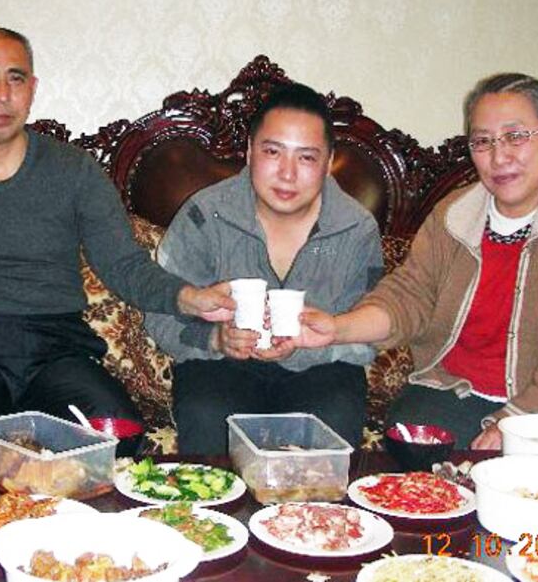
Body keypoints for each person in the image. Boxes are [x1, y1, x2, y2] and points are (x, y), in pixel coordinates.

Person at [0, 27, 234, 458]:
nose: (1, 94)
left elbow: (124, 265)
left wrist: (192, 299)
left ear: (32, 90)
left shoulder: (75, 171)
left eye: (16, 78)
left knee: (118, 434)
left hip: (54, 347)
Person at [291, 73, 538, 450]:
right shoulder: (455, 212)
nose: (499, 156)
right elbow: (408, 296)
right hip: (452, 393)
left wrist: (515, 422)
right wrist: (337, 327)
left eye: (515, 137)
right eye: (483, 141)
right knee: (417, 464)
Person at [144, 83, 384, 455]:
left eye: (306, 157)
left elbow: (370, 331)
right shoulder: (205, 215)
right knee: (207, 413)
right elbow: (160, 313)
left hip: (321, 368)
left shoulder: (357, 228)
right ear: (250, 151)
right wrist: (216, 339)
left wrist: (312, 343)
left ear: (328, 160)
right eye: (273, 152)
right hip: (221, 364)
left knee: (333, 417)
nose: (287, 174)